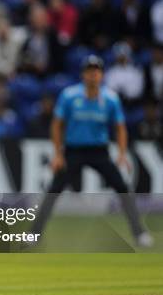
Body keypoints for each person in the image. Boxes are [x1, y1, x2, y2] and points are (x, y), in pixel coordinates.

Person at [30, 55, 153, 248]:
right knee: (53, 190)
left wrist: (121, 153)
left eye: (96, 71)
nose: (93, 75)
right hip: (73, 151)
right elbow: (57, 125)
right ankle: (34, 235)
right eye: (89, 71)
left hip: (99, 152)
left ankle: (139, 233)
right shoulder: (70, 96)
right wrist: (58, 154)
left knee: (122, 188)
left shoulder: (110, 99)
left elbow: (120, 127)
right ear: (83, 74)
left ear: (102, 75)